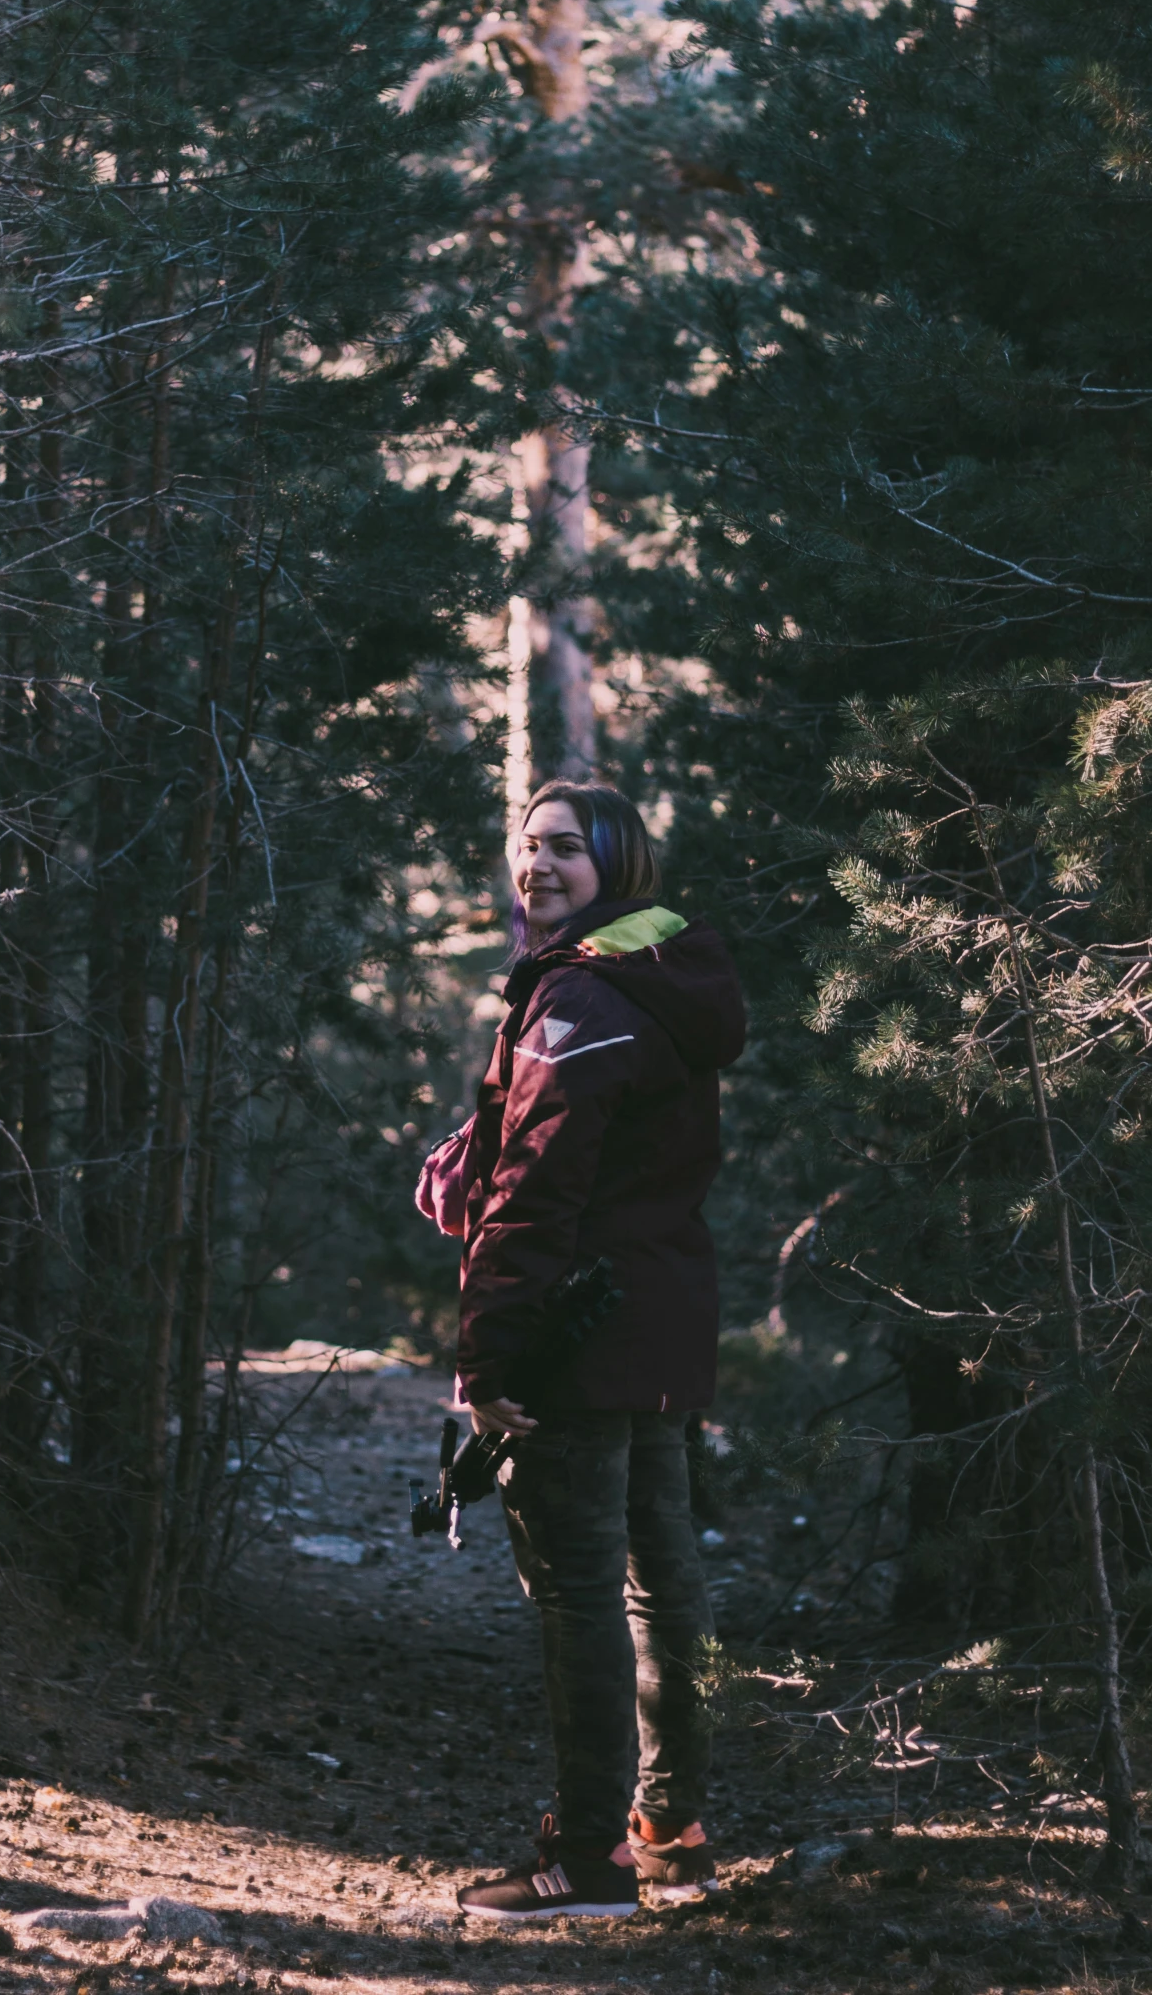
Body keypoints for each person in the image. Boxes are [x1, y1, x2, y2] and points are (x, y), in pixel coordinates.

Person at [415, 780, 746, 1921]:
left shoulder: (577, 998)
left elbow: (535, 1194)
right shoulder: (663, 978)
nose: (537, 867)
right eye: (525, 847)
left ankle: (590, 1857)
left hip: (575, 1333)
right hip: (658, 1320)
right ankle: (674, 1831)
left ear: (618, 862)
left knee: (580, 1591)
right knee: (664, 1582)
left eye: (565, 848)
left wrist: (491, 1361)